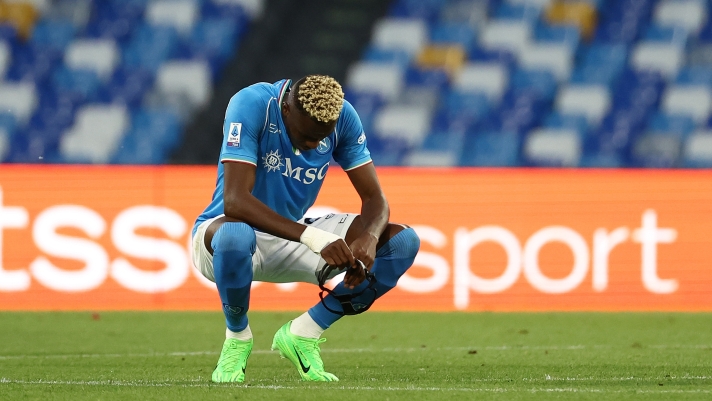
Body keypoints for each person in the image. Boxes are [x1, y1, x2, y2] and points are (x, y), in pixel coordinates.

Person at [191, 74, 420, 383]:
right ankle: (237, 338)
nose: (313, 145)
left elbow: (375, 198)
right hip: (225, 237)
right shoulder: (252, 104)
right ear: (287, 110)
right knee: (236, 234)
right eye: (306, 136)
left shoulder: (342, 116)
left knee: (402, 243)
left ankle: (304, 333)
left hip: (291, 237)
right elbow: (235, 202)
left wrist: (368, 238)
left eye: (320, 139)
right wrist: (313, 237)